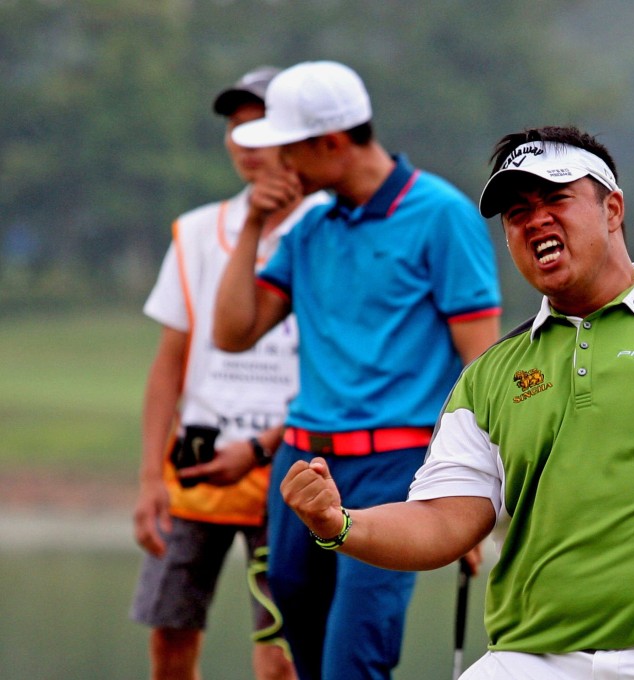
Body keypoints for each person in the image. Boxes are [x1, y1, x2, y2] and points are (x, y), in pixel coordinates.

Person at [280, 125, 634, 680]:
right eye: (517, 212)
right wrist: (339, 523)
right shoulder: (490, 374)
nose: (536, 220)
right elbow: (442, 520)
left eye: (556, 198)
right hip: (535, 655)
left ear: (612, 209)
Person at [212, 61, 502, 680]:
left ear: (332, 143)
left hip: (393, 468)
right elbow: (232, 333)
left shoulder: (441, 215)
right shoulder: (310, 226)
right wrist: (254, 224)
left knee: (354, 660)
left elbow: (482, 367)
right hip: (301, 464)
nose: (276, 166)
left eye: (288, 151)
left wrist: (471, 498)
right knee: (307, 651)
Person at [131, 65, 329, 680]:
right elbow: (169, 362)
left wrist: (265, 445)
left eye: (260, 126)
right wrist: (149, 478)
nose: (245, 141)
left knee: (280, 657)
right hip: (198, 462)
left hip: (294, 463)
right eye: (235, 128)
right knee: (170, 638)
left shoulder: (332, 227)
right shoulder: (195, 232)